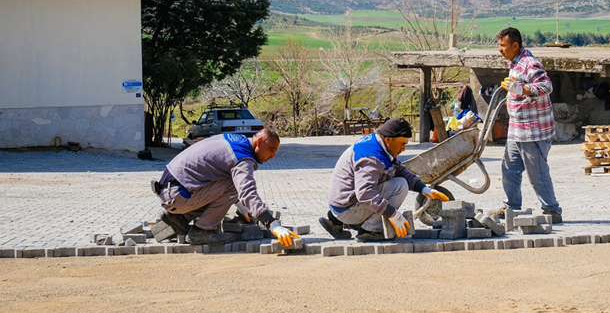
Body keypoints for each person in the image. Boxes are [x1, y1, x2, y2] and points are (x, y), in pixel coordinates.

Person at [151, 129, 298, 246]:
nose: (273, 156)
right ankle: (202, 231)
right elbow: (246, 191)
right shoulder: (243, 158)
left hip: (171, 190)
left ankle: (180, 217)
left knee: (231, 182)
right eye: (272, 150)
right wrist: (273, 225)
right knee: (234, 185)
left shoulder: (236, 139)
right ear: (259, 141)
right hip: (178, 194)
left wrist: (241, 207)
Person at [320, 118, 450, 241]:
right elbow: (365, 193)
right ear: (388, 139)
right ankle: (371, 230)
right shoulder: (372, 158)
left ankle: (337, 221)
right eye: (402, 144)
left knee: (394, 179)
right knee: (400, 186)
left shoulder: (378, 143)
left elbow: (398, 169)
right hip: (346, 209)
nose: (403, 149)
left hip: (341, 203)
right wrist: (393, 214)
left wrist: (423, 189)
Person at [494, 27, 563, 223]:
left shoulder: (529, 63)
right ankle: (511, 207)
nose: (500, 49)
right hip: (517, 129)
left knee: (537, 172)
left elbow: (546, 86)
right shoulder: (514, 63)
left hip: (533, 130)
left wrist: (521, 89)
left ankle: (552, 210)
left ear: (515, 45)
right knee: (509, 168)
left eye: (503, 46)